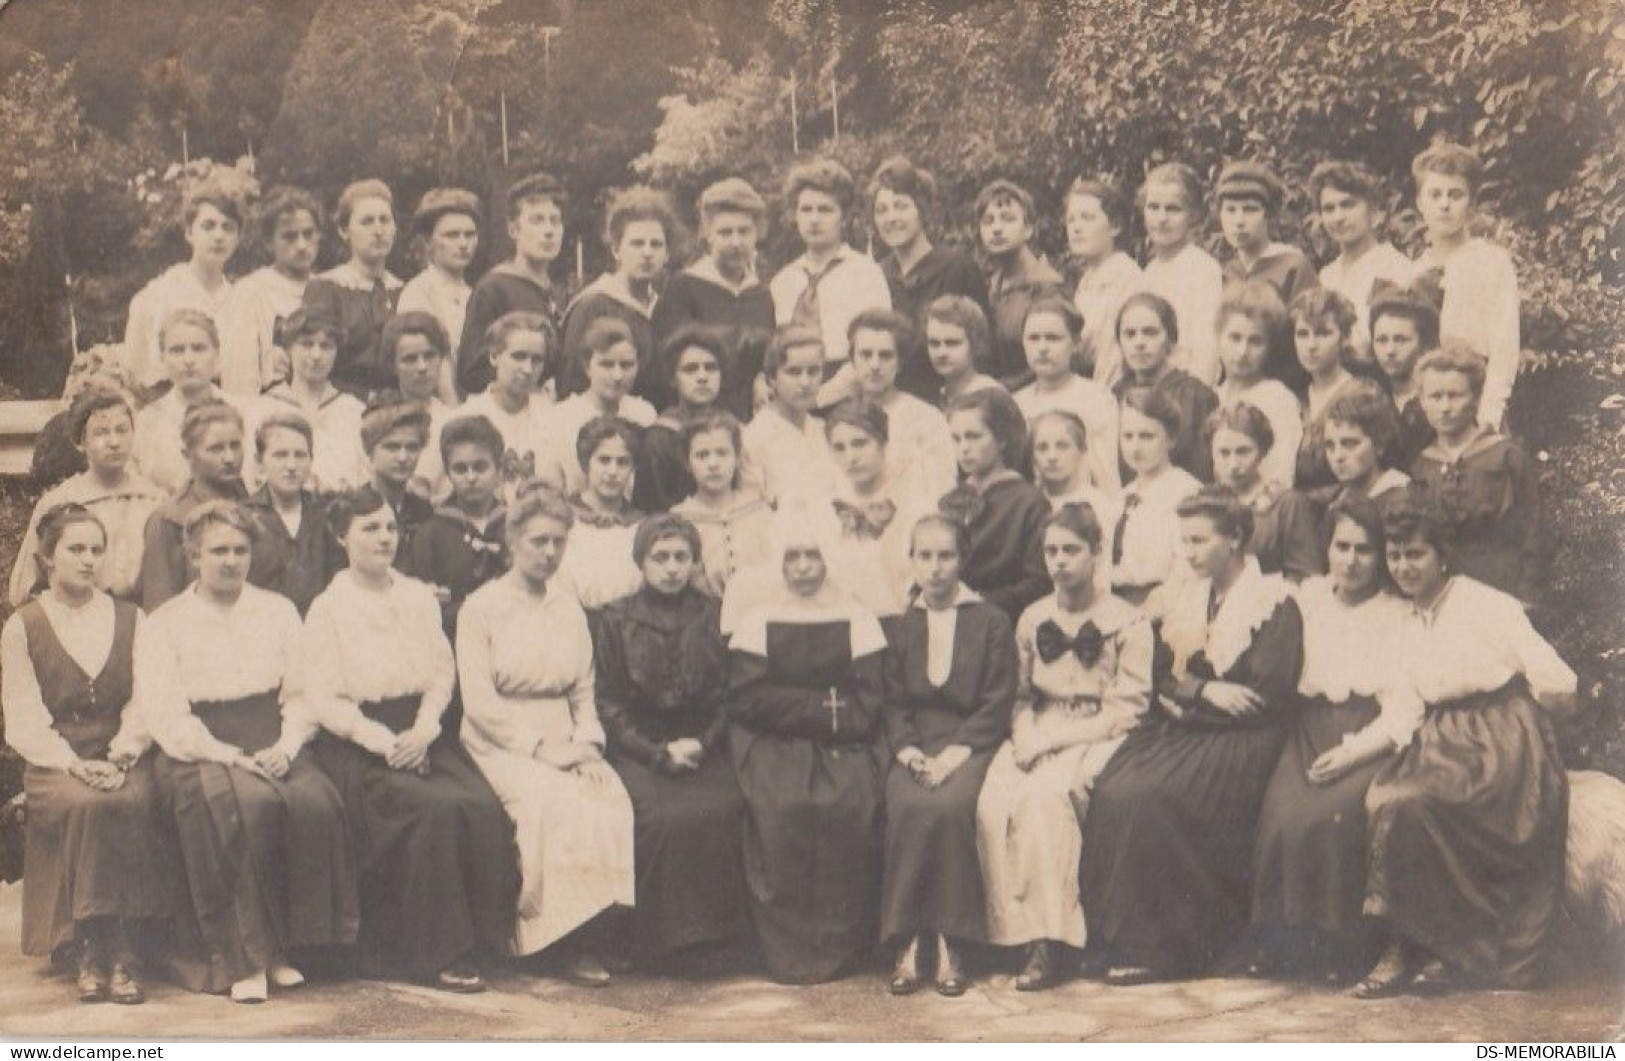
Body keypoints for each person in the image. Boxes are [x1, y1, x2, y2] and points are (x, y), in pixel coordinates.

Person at [297, 486, 517, 992]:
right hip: (360, 744)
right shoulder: (328, 608)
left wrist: (422, 731)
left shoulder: (417, 596)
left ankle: (486, 940)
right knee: (431, 811)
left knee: (480, 803)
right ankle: (435, 952)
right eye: (370, 528)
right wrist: (386, 744)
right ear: (341, 537)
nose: (384, 537)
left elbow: (442, 673)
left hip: (422, 731)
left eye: (391, 527)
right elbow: (326, 698)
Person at [1355, 492, 1575, 996]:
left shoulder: (1486, 604)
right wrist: (1352, 751)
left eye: (1416, 554)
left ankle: (1445, 952)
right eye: (1395, 555)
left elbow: (1557, 680)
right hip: (1442, 739)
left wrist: (1539, 738)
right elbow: (1405, 711)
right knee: (1389, 798)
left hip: (1504, 735)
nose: (1404, 566)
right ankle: (1411, 946)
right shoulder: (1404, 622)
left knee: (1425, 803)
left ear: (1442, 554)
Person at [1080, 486, 1303, 984]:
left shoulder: (1273, 601)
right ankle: (1112, 936)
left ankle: (1170, 948)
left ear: (1236, 539)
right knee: (1114, 785)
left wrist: (1193, 699)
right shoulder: (1186, 594)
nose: (1189, 552)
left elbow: (1265, 693)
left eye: (1200, 540)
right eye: (1184, 541)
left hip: (1247, 737)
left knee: (1153, 796)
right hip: (1190, 721)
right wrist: (1201, 690)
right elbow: (1161, 670)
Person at [139, 501, 359, 1002]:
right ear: (193, 554)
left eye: (240, 550)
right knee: (242, 808)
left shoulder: (277, 610)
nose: (230, 560)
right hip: (198, 747)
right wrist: (229, 754)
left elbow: (303, 690)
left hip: (273, 735)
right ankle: (242, 959)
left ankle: (286, 949)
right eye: (218, 550)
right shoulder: (166, 622)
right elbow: (165, 712)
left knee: (314, 801)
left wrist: (286, 745)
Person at [456, 488, 634, 983]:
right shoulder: (482, 608)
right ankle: (544, 941)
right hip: (501, 739)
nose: (549, 552)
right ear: (513, 539)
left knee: (609, 795)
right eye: (538, 541)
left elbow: (583, 691)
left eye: (558, 542)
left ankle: (592, 935)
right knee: (553, 803)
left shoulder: (567, 605)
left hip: (563, 733)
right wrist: (541, 749)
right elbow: (480, 704)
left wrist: (588, 744)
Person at [976, 504, 1152, 991]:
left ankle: (1049, 942)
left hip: (1099, 731)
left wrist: (1054, 740)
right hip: (1038, 725)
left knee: (1044, 799)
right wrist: (1027, 733)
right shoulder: (1034, 618)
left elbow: (1128, 707)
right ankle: (1005, 936)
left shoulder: (1127, 621)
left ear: (1097, 553)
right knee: (993, 799)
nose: (1060, 561)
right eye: (1051, 551)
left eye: (1071, 550)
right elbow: (1018, 695)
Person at [2, 505, 168, 1005]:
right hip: (56, 762)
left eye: (97, 549)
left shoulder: (131, 618)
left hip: (123, 755)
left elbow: (147, 697)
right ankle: (96, 945)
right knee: (90, 804)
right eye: (76, 549)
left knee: (135, 799)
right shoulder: (23, 625)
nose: (89, 559)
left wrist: (121, 754)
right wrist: (73, 762)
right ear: (47, 557)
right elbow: (22, 713)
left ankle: (121, 946)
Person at [1250, 495, 1418, 980]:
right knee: (1280, 814)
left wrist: (1352, 753)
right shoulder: (1307, 599)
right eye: (1341, 546)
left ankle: (1338, 950)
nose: (1350, 560)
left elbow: (1404, 708)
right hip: (1307, 729)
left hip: (1366, 733)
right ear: (1326, 548)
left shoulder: (1398, 614)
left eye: (1364, 549)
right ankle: (1280, 945)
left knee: (1332, 817)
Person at [726, 505, 888, 984]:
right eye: (792, 557)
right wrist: (821, 708)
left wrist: (805, 709)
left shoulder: (857, 617)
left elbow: (869, 700)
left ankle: (841, 947)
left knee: (848, 803)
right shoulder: (758, 619)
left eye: (811, 556)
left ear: (829, 560)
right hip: (771, 743)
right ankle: (787, 952)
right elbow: (748, 698)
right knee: (782, 807)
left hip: (847, 743)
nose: (801, 568)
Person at [594, 514, 750, 965]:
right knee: (660, 818)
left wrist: (703, 743)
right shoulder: (616, 619)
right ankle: (661, 949)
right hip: (638, 748)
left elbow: (729, 694)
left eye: (681, 557)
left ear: (695, 562)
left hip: (704, 745)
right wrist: (655, 753)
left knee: (727, 808)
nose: (671, 567)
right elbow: (608, 703)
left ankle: (719, 947)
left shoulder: (714, 614)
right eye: (659, 557)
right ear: (641, 562)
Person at [881, 514, 1017, 997]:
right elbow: (892, 701)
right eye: (925, 556)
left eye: (946, 556)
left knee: (951, 806)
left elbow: (996, 702)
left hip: (969, 741)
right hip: (916, 743)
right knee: (908, 805)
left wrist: (952, 757)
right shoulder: (900, 625)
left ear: (963, 560)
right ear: (912, 561)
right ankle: (910, 939)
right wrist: (909, 751)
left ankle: (950, 940)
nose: (935, 568)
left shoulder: (991, 621)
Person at [1407, 342, 1542, 605]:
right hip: (1443, 595)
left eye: (1455, 395)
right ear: (1422, 401)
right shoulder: (1421, 466)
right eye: (1435, 396)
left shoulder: (1505, 456)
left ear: (1476, 397)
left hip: (1502, 587)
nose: (1445, 407)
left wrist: (1529, 595)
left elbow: (1533, 529)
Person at [9, 389, 164, 607]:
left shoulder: (154, 500)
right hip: (77, 618)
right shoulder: (59, 504)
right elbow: (26, 590)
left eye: (122, 430)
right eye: (101, 433)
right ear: (80, 442)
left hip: (140, 619)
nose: (114, 442)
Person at [1406, 142, 1521, 429]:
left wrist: (1490, 411)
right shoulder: (1413, 271)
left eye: (1455, 195)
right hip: (1427, 403)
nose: (1444, 204)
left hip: (1477, 397)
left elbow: (1505, 344)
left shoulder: (1491, 261)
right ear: (1420, 202)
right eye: (1435, 195)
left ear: (1471, 203)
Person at [770, 158, 892, 409]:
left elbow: (875, 345)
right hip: (793, 395)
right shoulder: (783, 281)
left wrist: (820, 398)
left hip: (850, 396)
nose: (814, 219)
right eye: (806, 210)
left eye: (825, 210)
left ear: (844, 217)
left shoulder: (865, 273)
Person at [649, 177, 774, 421]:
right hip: (700, 421)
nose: (736, 242)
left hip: (756, 418)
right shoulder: (683, 289)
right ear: (707, 234)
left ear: (756, 234)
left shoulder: (762, 295)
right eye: (725, 233)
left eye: (744, 231)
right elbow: (667, 370)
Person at [869, 157, 989, 400]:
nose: (891, 218)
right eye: (882, 210)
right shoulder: (876, 274)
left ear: (921, 211)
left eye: (901, 206)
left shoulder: (957, 267)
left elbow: (983, 351)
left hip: (950, 399)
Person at [418, 312, 556, 504]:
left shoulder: (554, 417)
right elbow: (420, 486)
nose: (528, 369)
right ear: (494, 356)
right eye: (519, 356)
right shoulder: (462, 417)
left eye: (537, 359)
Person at [939, 388, 1050, 620]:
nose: (964, 448)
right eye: (956, 438)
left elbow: (1039, 582)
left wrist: (979, 602)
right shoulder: (951, 500)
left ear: (1001, 439)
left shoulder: (1028, 501)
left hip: (1001, 621)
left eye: (974, 436)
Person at [122, 178, 243, 389]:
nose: (218, 236)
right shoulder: (157, 296)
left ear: (238, 238)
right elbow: (136, 376)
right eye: (208, 226)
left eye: (228, 228)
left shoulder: (241, 302)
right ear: (189, 233)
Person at [559, 186, 674, 406]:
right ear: (616, 250)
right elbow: (571, 386)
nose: (647, 253)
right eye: (637, 243)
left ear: (667, 254)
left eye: (656, 244)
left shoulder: (666, 307)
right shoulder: (592, 305)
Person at [457, 173, 567, 397]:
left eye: (555, 221)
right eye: (537, 220)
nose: (548, 230)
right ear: (513, 230)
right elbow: (471, 372)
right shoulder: (493, 289)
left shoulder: (556, 292)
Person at [1214, 160, 1319, 388]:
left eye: (1250, 209)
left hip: (1285, 387)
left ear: (1269, 215)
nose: (1239, 221)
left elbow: (1311, 337)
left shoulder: (1293, 265)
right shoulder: (1225, 272)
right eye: (1230, 210)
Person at [825, 399, 934, 617]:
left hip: (902, 621)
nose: (851, 458)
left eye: (860, 443)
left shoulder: (913, 504)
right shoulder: (830, 507)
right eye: (839, 448)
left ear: (883, 443)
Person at [401, 414, 508, 637]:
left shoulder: (516, 526)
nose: (471, 477)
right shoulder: (430, 533)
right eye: (460, 469)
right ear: (448, 473)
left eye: (480, 467)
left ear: (499, 469)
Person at [137, 401, 249, 612]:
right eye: (216, 449)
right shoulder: (168, 521)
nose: (229, 457)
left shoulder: (257, 508)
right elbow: (160, 609)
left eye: (235, 445)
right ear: (188, 455)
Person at [247, 308, 369, 494]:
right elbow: (252, 474)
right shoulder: (264, 408)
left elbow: (366, 477)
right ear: (289, 348)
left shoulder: (353, 410)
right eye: (306, 344)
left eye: (326, 346)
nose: (316, 355)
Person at [301, 179, 403, 396]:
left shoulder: (404, 291)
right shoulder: (326, 288)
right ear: (344, 230)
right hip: (341, 406)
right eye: (367, 222)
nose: (378, 230)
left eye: (384, 220)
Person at [537, 317, 658, 498]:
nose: (617, 375)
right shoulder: (558, 418)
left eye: (626, 365)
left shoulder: (644, 414)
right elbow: (548, 491)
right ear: (587, 367)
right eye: (606, 364)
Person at [846, 308, 958, 502]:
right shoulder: (840, 418)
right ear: (852, 359)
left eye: (885, 355)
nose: (874, 365)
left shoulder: (927, 419)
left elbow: (944, 490)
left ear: (901, 363)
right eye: (865, 354)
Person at [221, 185, 323, 397]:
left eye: (308, 234)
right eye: (289, 237)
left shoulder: (328, 287)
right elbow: (238, 377)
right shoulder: (251, 292)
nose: (302, 245)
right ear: (269, 242)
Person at [1012, 295, 1121, 492]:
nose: (1043, 348)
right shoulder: (1016, 403)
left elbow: (1107, 476)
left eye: (1053, 338)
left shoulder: (1096, 399)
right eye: (1034, 338)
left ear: (1076, 343)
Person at [1107, 390, 1203, 606]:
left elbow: (1188, 568)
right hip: (1118, 603)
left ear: (1171, 438)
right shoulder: (1122, 497)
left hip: (1164, 605)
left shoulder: (1185, 492)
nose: (1136, 447)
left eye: (1147, 436)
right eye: (1128, 436)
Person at [1208, 404, 1323, 583]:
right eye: (1224, 453)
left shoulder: (1287, 504)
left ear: (1262, 451)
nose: (1233, 464)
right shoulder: (1206, 504)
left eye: (1243, 452)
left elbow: (1307, 577)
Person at [131, 309, 242, 495]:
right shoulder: (146, 423)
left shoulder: (243, 411)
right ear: (163, 358)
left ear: (216, 353)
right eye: (177, 350)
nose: (188, 360)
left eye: (199, 348)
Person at [1110, 292, 1219, 481]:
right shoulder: (1116, 394)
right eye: (1130, 334)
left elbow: (1204, 472)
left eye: (1150, 333)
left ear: (1171, 339)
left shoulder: (1196, 396)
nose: (1139, 343)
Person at [1310, 162, 1411, 360]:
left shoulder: (1396, 268)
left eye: (1348, 205)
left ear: (1372, 210)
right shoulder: (1326, 276)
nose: (1338, 217)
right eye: (1329, 209)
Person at [671, 411, 775, 604]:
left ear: (737, 458)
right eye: (702, 456)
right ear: (687, 463)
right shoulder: (679, 521)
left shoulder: (760, 512)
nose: (713, 464)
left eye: (722, 453)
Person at [243, 411, 339, 616]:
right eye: (280, 455)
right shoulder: (243, 517)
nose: (292, 466)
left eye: (300, 455)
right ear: (259, 462)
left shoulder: (328, 513)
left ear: (311, 459)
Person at [978, 179, 1066, 392]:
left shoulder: (1046, 286)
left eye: (1007, 219)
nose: (997, 229)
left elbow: (1053, 356)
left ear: (1028, 230)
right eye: (988, 221)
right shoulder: (993, 283)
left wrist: (1000, 388)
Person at [1140, 163, 1223, 386]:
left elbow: (1207, 355)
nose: (1161, 218)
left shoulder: (1203, 269)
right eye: (1153, 207)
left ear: (1193, 215)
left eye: (1173, 209)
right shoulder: (1149, 273)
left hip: (1187, 390)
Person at [1215, 281, 1302, 491]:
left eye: (1255, 342)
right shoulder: (1213, 394)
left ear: (1269, 347)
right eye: (1234, 338)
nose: (1243, 351)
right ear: (1218, 337)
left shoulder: (1277, 398)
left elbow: (1281, 476)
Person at [397, 188, 481, 406]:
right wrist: (455, 414)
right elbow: (433, 363)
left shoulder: (473, 293)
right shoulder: (419, 292)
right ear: (428, 242)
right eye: (452, 235)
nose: (463, 244)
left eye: (470, 234)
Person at [632, 324, 728, 513]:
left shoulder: (729, 428)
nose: (702, 377)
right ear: (672, 379)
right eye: (691, 369)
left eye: (711, 368)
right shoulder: (659, 440)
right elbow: (652, 510)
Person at [740, 324, 838, 510]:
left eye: (813, 371)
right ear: (771, 379)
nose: (805, 382)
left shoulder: (823, 429)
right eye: (794, 372)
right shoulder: (754, 438)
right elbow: (754, 510)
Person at [557, 417, 646, 612]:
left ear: (633, 468)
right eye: (604, 460)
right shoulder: (561, 519)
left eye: (622, 462)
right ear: (585, 463)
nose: (612, 471)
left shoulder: (641, 527)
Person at [1065, 177, 1144, 388]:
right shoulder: (1087, 280)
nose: (1076, 227)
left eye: (1087, 218)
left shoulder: (1125, 278)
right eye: (1071, 220)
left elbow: (1114, 359)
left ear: (1115, 226)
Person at [1291, 288, 1368, 491]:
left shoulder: (1362, 394)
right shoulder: (1294, 398)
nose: (1311, 345)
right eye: (1302, 334)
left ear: (1344, 338)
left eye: (1323, 333)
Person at [1367, 280, 1441, 471]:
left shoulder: (1440, 400)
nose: (1390, 350)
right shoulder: (1370, 396)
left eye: (1401, 340)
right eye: (1381, 340)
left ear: (1424, 344)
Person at [358, 394, 435, 564]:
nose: (403, 457)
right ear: (369, 450)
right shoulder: (354, 509)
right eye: (392, 447)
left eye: (412, 447)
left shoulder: (424, 512)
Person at [1313, 385, 1412, 509]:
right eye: (1330, 446)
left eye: (1349, 444)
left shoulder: (1403, 498)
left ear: (1379, 444)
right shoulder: (1336, 498)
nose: (1337, 456)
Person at [925, 295, 1004, 406]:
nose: (941, 353)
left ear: (975, 344)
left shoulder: (991, 395)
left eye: (952, 343)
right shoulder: (937, 398)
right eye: (934, 343)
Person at [381, 312, 456, 418]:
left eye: (429, 356)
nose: (422, 367)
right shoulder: (381, 421)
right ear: (392, 365)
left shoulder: (452, 416)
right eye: (410, 359)